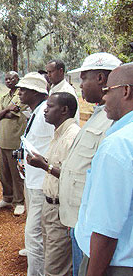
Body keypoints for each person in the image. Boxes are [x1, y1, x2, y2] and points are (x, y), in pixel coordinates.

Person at [59, 52, 122, 276]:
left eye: (83, 78)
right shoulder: (98, 114)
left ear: (101, 79)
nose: (80, 85)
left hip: (92, 228)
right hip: (79, 221)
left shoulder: (115, 120)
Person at [75, 63, 133, 276]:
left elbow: (105, 231)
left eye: (108, 91)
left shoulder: (118, 145)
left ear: (126, 91)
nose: (104, 98)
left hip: (114, 264)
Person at [27, 92, 81, 276]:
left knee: (56, 268)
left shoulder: (71, 137)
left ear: (64, 110)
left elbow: (71, 175)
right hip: (50, 206)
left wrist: (44, 165)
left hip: (60, 210)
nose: (45, 110)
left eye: (50, 106)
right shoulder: (59, 133)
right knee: (50, 257)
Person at [17, 72, 55, 276]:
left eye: (23, 89)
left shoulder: (45, 114)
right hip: (32, 181)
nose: (19, 92)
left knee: (34, 235)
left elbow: (54, 146)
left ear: (35, 92)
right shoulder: (35, 112)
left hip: (41, 183)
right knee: (35, 233)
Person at [0, 71, 28, 215]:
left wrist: (3, 112)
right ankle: (7, 197)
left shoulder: (21, 96)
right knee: (4, 173)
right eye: (6, 78)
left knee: (16, 173)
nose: (8, 81)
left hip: (16, 141)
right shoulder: (4, 97)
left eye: (11, 78)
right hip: (3, 141)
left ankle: (19, 201)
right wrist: (7, 110)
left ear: (17, 79)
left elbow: (16, 111)